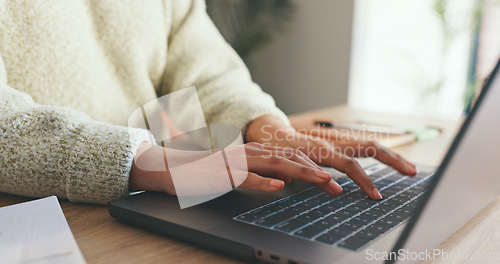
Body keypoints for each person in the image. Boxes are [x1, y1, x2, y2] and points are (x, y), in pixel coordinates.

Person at [0, 0, 415, 205]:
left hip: (154, 200)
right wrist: (150, 162)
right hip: (44, 220)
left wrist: (274, 135)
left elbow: (209, 74)